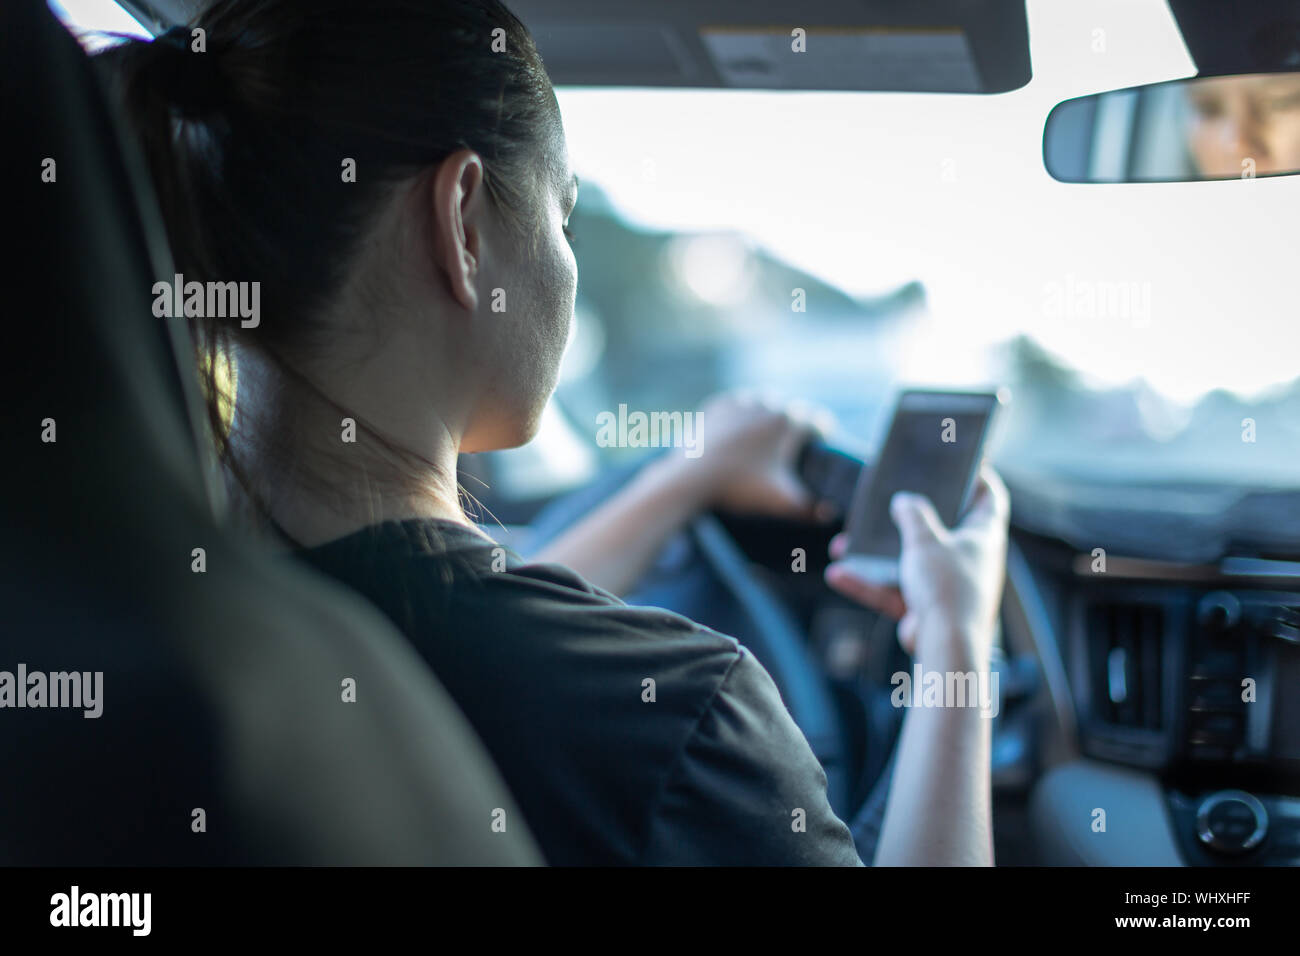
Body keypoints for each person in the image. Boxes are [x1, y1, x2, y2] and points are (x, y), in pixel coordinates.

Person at [98, 0, 1009, 865]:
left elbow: (450, 625)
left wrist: (678, 481)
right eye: (559, 214)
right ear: (461, 224)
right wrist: (959, 644)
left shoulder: (140, 610)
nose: (565, 263)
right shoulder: (681, 719)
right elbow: (496, 645)